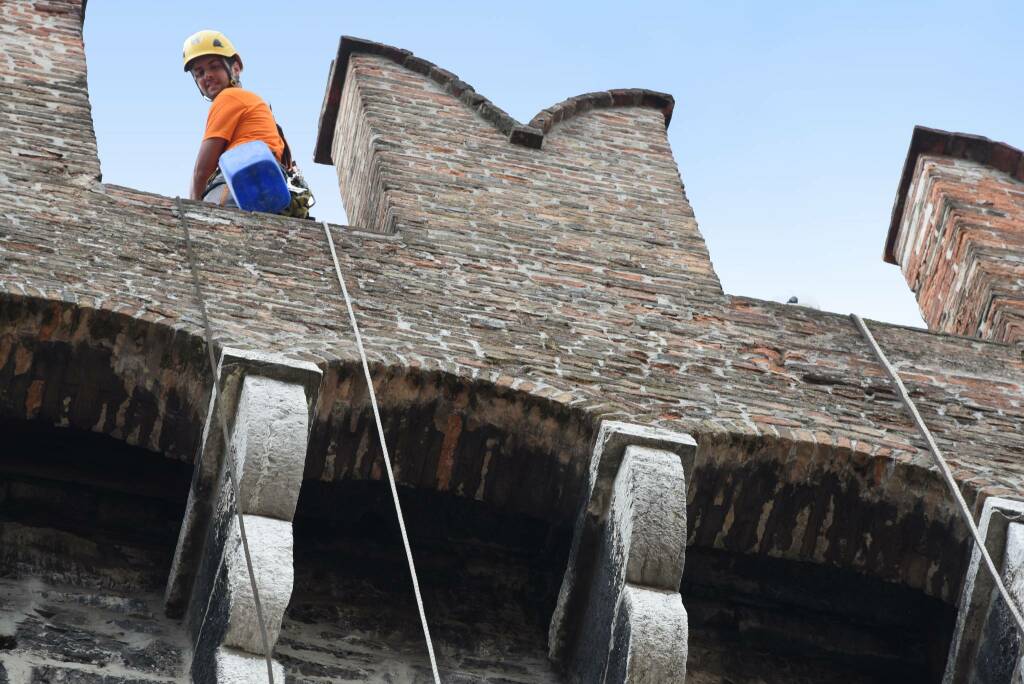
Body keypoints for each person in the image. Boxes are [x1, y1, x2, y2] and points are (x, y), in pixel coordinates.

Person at [182, 30, 313, 217]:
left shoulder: (229, 97)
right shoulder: (256, 104)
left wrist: (193, 214)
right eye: (200, 73)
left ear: (235, 68)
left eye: (214, 67)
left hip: (236, 189)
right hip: (273, 195)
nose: (207, 76)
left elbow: (202, 170)